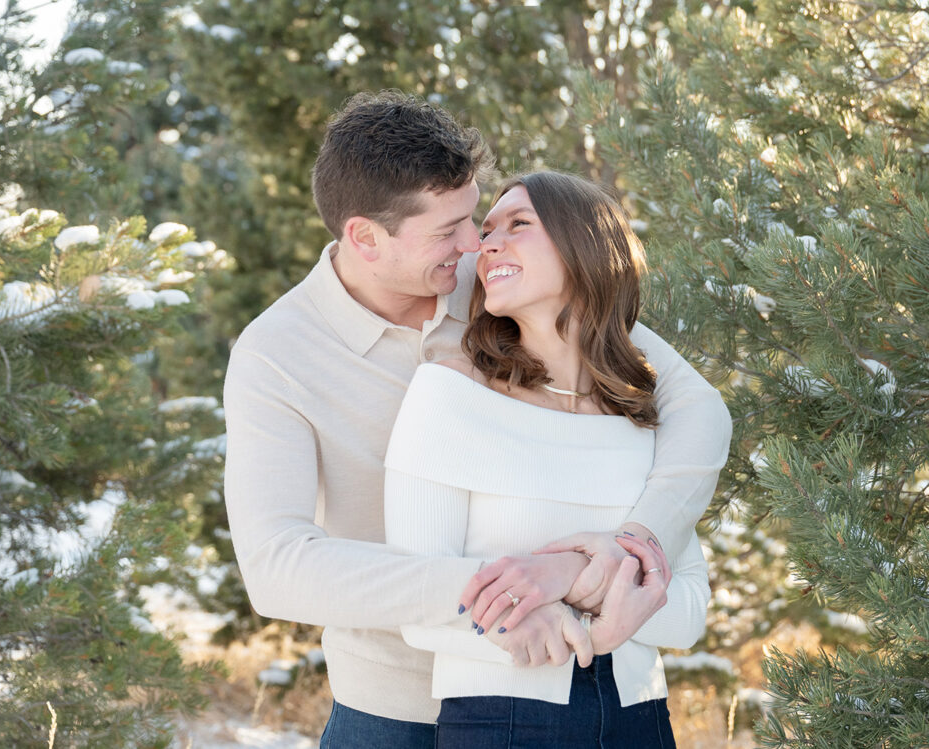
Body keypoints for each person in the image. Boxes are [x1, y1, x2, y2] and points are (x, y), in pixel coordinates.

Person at [223, 91, 731, 748]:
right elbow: (277, 565)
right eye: (448, 230)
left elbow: (695, 407)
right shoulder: (278, 354)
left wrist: (626, 550)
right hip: (391, 706)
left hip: (564, 688)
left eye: (476, 217)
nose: (473, 243)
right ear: (364, 237)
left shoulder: (500, 281)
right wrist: (504, 590)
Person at [384, 171, 715, 747]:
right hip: (503, 717)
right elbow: (417, 604)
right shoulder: (449, 396)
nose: (488, 244)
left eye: (519, 224)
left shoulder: (642, 413)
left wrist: (566, 578)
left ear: (586, 244)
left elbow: (687, 612)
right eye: (486, 231)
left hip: (642, 717)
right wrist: (568, 613)